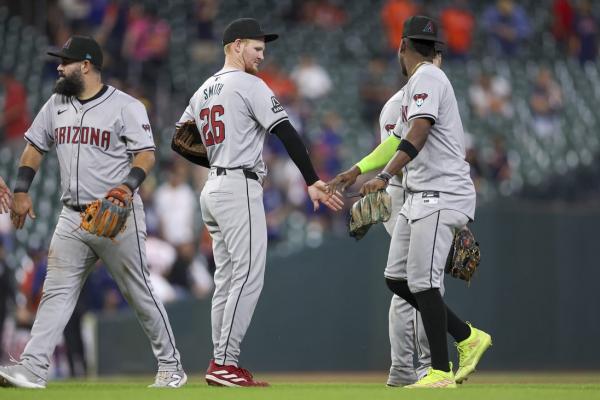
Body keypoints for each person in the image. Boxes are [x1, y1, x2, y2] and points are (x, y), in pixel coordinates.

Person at [0, 36, 186, 389]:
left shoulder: (126, 106)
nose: (59, 67)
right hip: (72, 216)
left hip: (117, 214)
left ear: (85, 65)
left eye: (65, 61)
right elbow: (34, 147)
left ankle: (171, 365)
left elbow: (146, 154)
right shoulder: (56, 104)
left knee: (139, 291)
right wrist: (22, 189)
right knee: (55, 292)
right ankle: (33, 368)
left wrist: (127, 187)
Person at [173, 18, 343, 387]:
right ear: (235, 45)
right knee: (248, 276)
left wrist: (219, 158)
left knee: (228, 279)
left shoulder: (203, 89)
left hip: (213, 188)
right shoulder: (249, 84)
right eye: (256, 47)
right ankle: (224, 362)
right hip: (237, 187)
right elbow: (286, 132)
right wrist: (312, 180)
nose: (262, 55)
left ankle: (221, 360)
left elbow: (179, 140)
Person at [358, 16, 492, 388]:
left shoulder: (428, 77)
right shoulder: (417, 84)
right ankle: (467, 337)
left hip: (439, 193)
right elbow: (396, 140)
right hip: (420, 197)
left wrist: (384, 176)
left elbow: (419, 131)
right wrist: (354, 171)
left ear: (402, 46)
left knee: (422, 282)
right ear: (436, 50)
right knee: (397, 280)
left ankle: (440, 371)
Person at [328, 48, 444, 386]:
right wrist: (363, 172)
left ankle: (406, 367)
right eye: (431, 58)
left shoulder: (425, 96)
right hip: (403, 194)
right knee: (421, 284)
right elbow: (396, 151)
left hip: (417, 195)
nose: (435, 65)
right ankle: (418, 365)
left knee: (414, 283)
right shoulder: (398, 104)